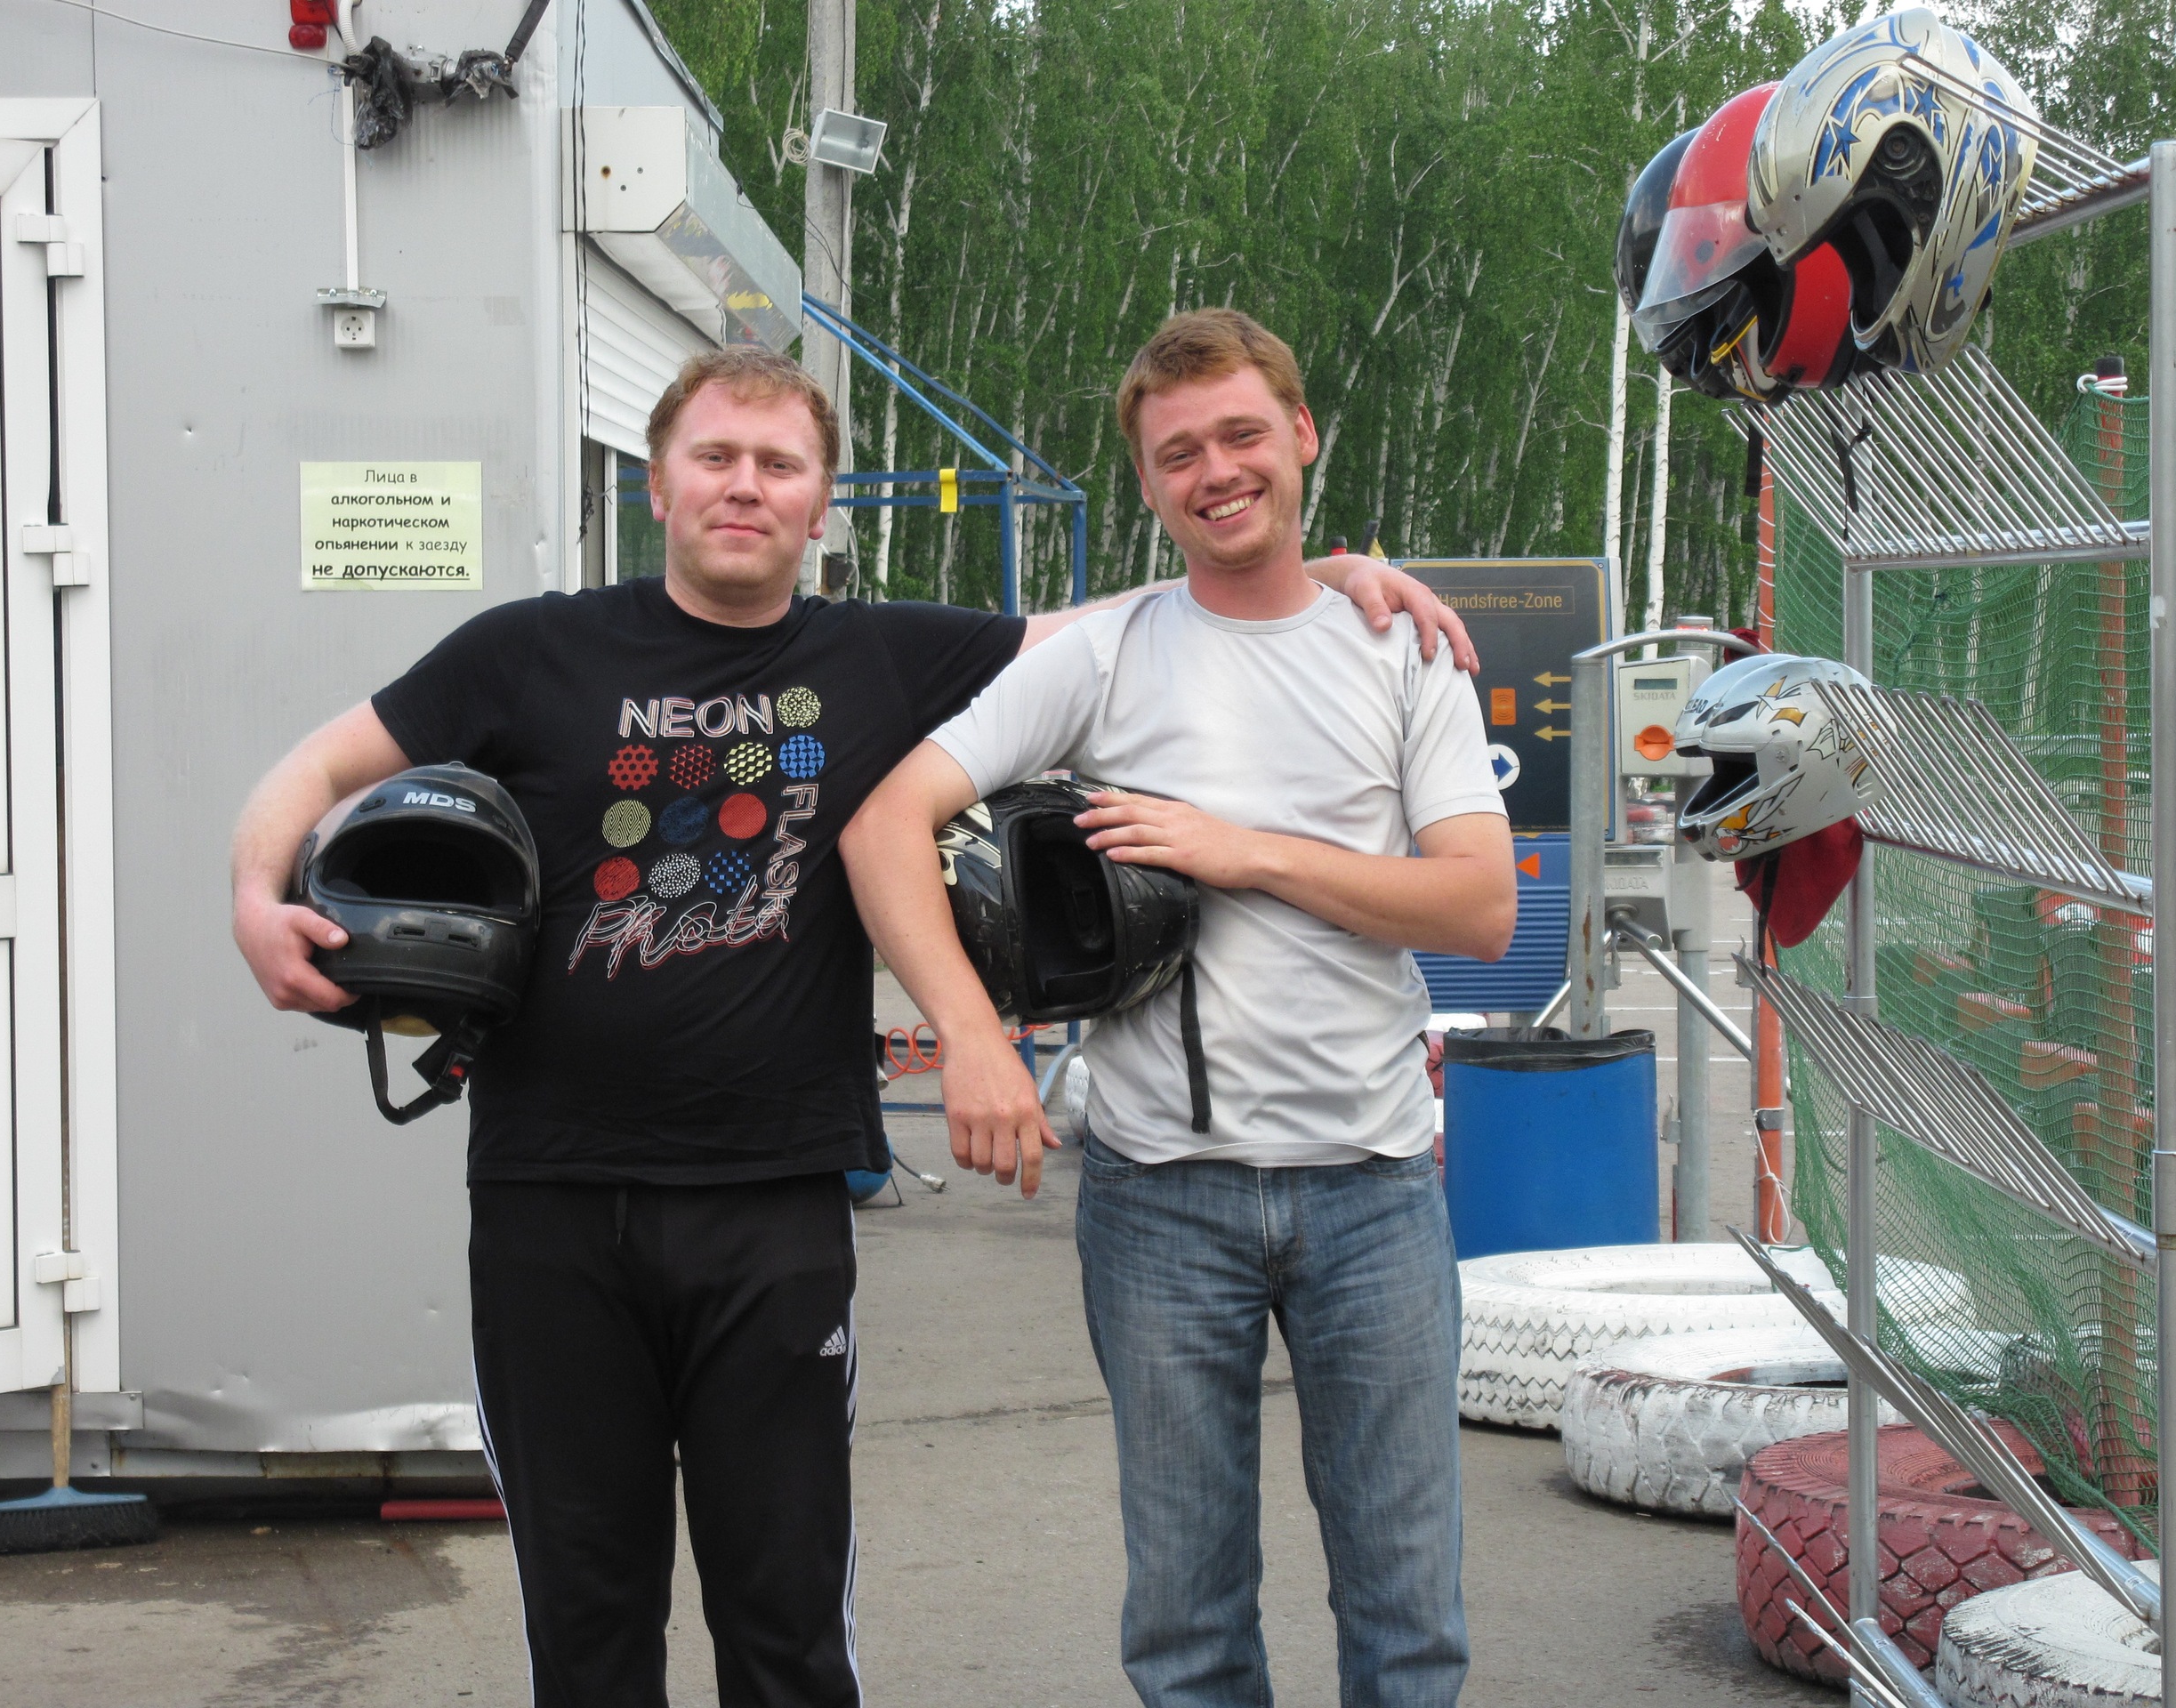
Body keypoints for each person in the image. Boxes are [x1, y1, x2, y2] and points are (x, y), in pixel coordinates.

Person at [228, 343, 1474, 1708]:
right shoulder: (531, 649)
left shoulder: (878, 655)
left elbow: (1165, 602)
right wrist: (254, 898)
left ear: (823, 503)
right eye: (715, 458)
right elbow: (321, 763)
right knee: (587, 1631)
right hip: (551, 1201)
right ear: (658, 484)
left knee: (788, 1635)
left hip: (774, 1202)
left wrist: (1336, 573)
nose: (745, 487)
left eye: (780, 465)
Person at [839, 310, 1516, 1708]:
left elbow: (1478, 908)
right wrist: (973, 1036)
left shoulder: (1400, 649)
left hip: (1376, 1189)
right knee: (1189, 1627)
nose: (1218, 471)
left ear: (1303, 434)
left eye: (1243, 435)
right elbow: (883, 824)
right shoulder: (1103, 657)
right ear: (1147, 483)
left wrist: (1241, 852)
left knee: (1408, 1615)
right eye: (1179, 453)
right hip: (1161, 1200)